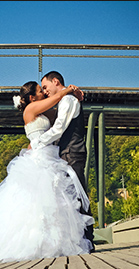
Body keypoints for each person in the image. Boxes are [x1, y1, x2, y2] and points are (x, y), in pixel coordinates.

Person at [0, 82, 95, 267]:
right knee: (35, 200)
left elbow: (60, 113)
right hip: (40, 157)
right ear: (32, 98)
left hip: (49, 155)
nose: (44, 92)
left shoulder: (43, 111)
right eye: (40, 91)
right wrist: (68, 90)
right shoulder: (31, 109)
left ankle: (51, 242)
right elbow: (56, 99)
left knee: (52, 201)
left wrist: (72, 99)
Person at [35, 71, 95, 252]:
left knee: (77, 196)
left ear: (55, 81)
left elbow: (60, 128)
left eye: (45, 87)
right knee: (70, 198)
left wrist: (39, 142)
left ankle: (88, 241)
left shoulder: (68, 100)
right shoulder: (65, 99)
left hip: (72, 153)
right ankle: (80, 240)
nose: (45, 92)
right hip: (68, 153)